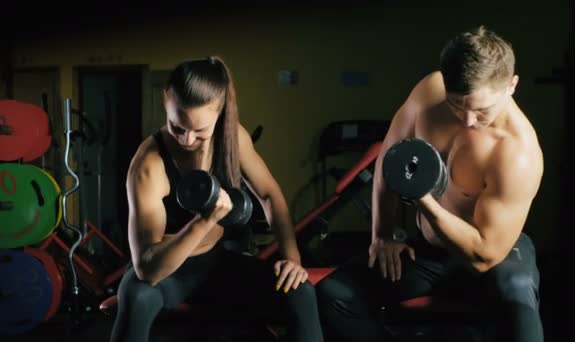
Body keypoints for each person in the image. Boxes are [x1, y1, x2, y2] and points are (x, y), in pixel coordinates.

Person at [316, 26, 544, 342]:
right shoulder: (428, 92)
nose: (467, 121)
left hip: (496, 256)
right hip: (430, 253)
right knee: (333, 293)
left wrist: (423, 200)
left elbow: (483, 255)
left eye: (481, 110)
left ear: (511, 86)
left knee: (519, 310)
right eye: (456, 104)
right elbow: (389, 159)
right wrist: (384, 234)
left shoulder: (518, 152)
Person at [110, 56, 324, 342]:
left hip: (217, 264)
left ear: (220, 114)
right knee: (137, 295)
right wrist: (205, 220)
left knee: (300, 290)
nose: (186, 140)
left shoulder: (233, 137)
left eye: (199, 132)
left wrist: (292, 259)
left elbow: (269, 194)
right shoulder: (149, 164)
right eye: (177, 127)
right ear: (165, 101)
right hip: (168, 272)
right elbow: (148, 268)